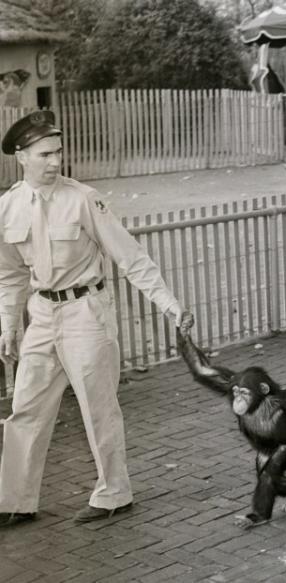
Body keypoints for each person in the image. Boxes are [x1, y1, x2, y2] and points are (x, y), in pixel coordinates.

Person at [0, 111, 188, 528]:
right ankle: (14, 501)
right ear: (21, 157)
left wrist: (169, 304)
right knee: (24, 408)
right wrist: (8, 326)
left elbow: (129, 257)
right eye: (45, 153)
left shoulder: (84, 198)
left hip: (86, 311)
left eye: (58, 152)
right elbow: (10, 275)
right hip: (42, 315)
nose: (55, 161)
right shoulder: (7, 207)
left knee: (98, 406)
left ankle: (114, 493)